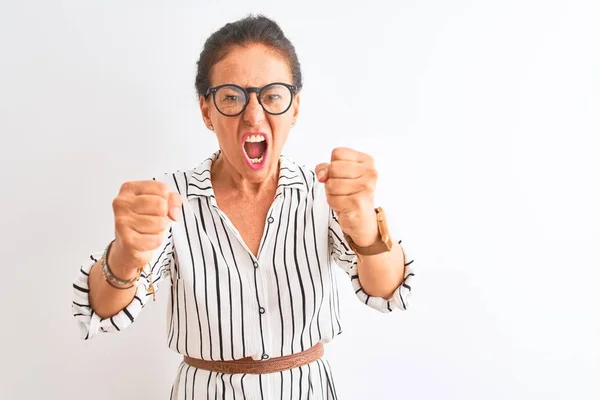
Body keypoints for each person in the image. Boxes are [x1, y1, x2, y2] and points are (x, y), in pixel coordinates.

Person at [72, 14, 415, 399]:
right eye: (232, 97)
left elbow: (389, 292)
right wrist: (125, 253)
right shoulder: (169, 200)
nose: (254, 115)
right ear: (206, 110)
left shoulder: (324, 193)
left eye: (271, 95)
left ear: (295, 107)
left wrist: (367, 226)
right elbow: (101, 313)